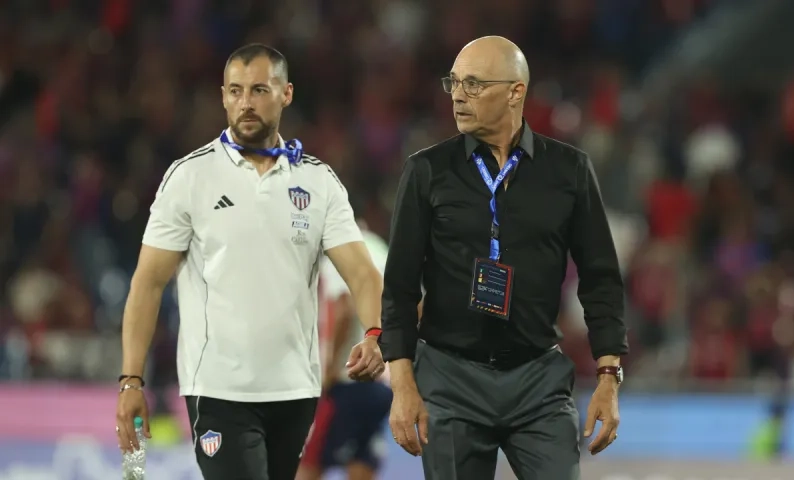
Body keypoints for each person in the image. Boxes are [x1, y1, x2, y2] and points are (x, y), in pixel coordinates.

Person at [115, 43, 386, 480]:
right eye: (235, 90)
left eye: (259, 89)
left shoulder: (319, 182)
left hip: (296, 390)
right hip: (219, 389)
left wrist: (375, 334)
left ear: (286, 94)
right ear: (223, 96)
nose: (245, 102)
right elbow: (147, 284)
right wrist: (131, 380)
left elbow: (362, 273)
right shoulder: (189, 178)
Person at [379, 36, 629, 480]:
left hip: (538, 381)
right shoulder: (427, 171)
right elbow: (398, 286)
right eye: (454, 83)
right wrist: (402, 385)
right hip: (449, 380)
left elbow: (601, 278)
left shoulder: (568, 170)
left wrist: (608, 375)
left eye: (474, 84)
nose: (458, 94)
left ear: (516, 92)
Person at [297, 203, 393, 480]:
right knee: (361, 462)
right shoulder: (379, 248)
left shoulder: (340, 253)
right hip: (381, 381)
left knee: (309, 463)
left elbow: (344, 308)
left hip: (346, 382)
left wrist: (328, 370)